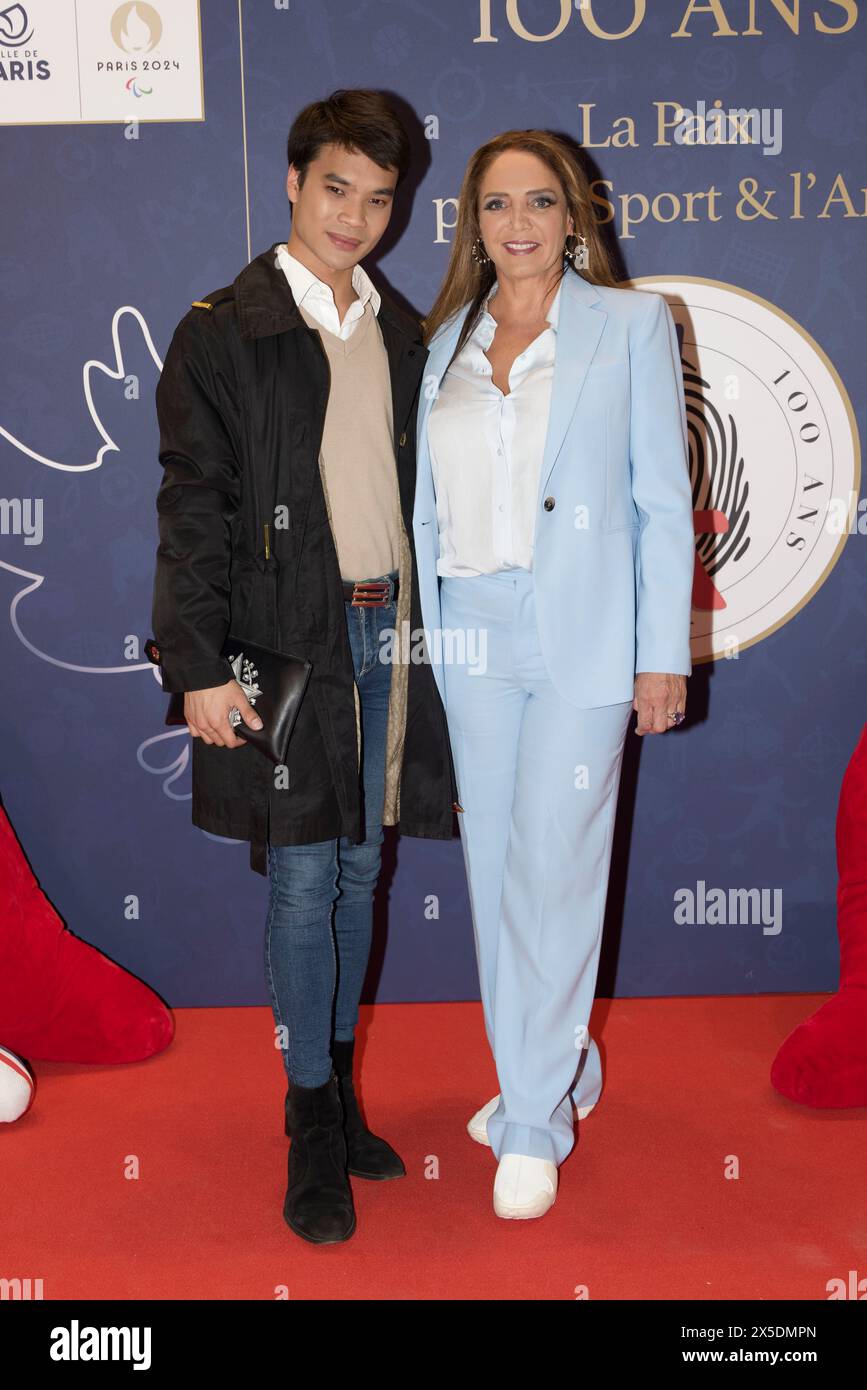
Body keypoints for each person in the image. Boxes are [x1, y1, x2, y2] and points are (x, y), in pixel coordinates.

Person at [149, 89, 456, 1246]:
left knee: (365, 872)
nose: (357, 217)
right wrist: (199, 661)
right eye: (337, 188)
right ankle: (312, 1121)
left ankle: (337, 1090)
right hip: (285, 644)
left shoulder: (406, 330)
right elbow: (194, 508)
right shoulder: (224, 326)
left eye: (380, 199)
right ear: (293, 182)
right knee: (303, 881)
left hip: (393, 635)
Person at [414, 130, 694, 1220]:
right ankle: (553, 1069)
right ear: (472, 223)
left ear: (576, 216)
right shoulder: (443, 342)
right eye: (496, 205)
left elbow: (662, 503)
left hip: (578, 631)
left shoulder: (628, 326)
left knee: (560, 869)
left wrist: (659, 651)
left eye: (539, 202)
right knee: (496, 867)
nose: (517, 223)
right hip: (472, 629)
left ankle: (529, 1117)